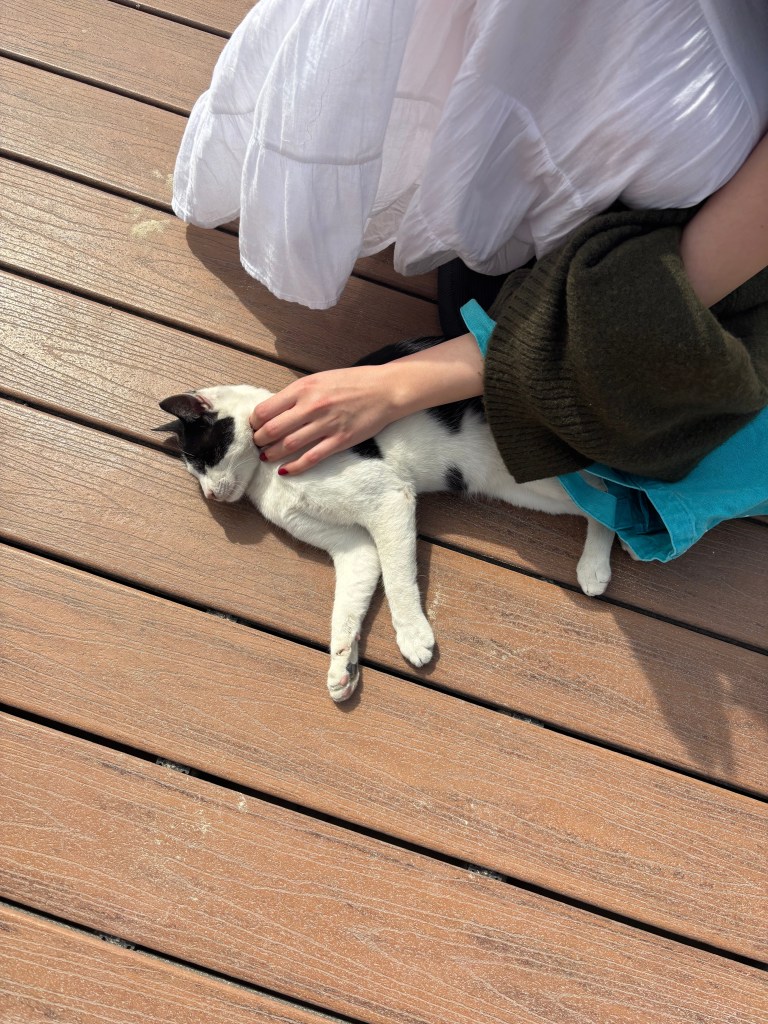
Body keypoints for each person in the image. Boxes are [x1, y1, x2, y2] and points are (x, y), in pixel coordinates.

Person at [172, 1, 768, 476]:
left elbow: (667, 291)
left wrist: (398, 383)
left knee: (524, 346)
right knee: (477, 288)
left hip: (683, 221)